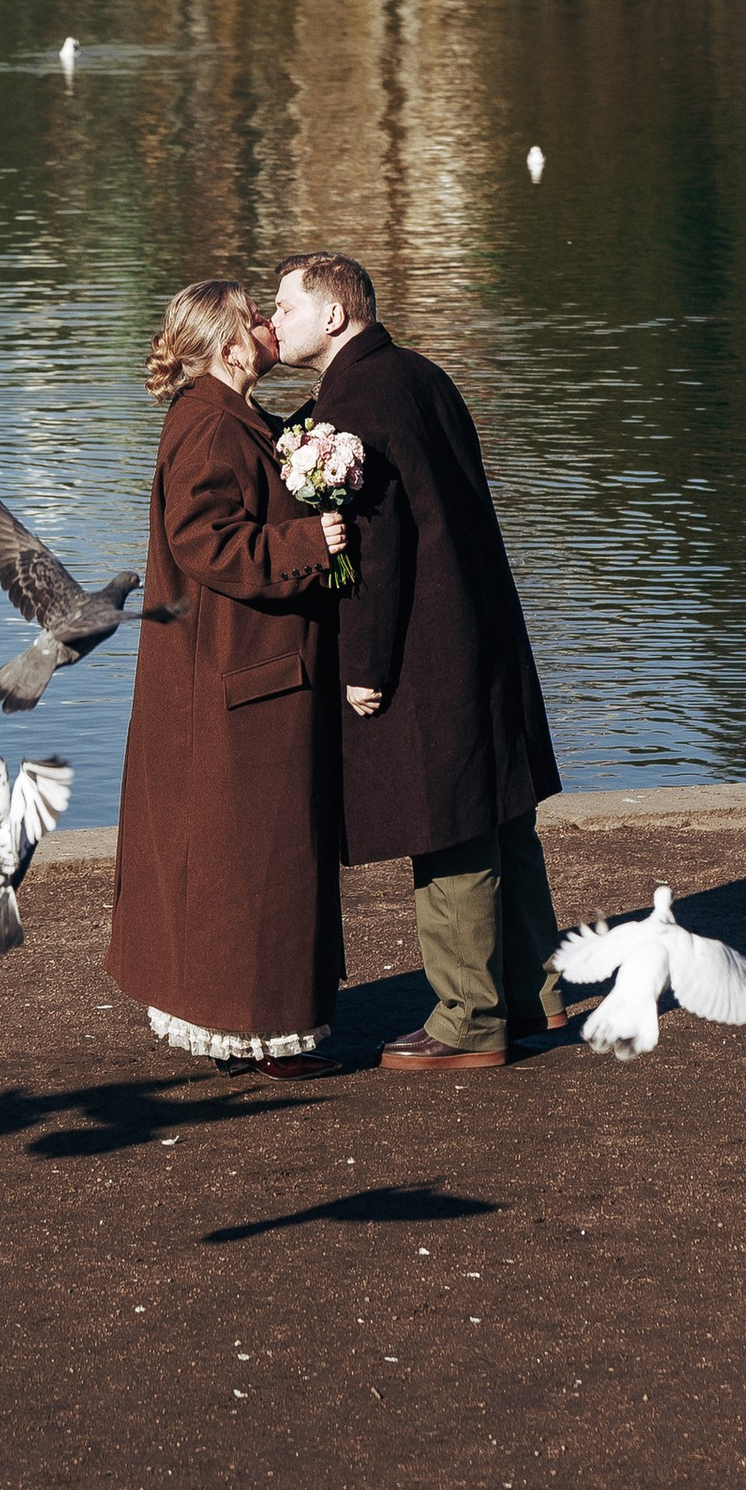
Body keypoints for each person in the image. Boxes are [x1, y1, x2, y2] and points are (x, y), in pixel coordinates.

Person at [266, 249, 564, 1073]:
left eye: (284, 306)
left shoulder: (357, 395)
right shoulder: (417, 372)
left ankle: (468, 1020)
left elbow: (378, 544)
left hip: (426, 642)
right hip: (481, 624)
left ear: (333, 314)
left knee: (450, 824)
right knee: (502, 813)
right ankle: (536, 992)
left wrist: (364, 664)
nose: (273, 319)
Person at [105, 277, 352, 1069]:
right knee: (255, 863)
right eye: (257, 317)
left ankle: (235, 1024)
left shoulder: (230, 416)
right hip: (238, 681)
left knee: (240, 862)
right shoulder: (209, 424)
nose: (271, 328)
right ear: (228, 341)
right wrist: (315, 542)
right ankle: (258, 1032)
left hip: (237, 674)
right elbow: (205, 542)